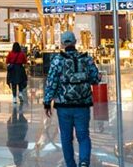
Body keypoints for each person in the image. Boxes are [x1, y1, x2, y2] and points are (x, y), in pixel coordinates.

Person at [44, 31, 101, 167]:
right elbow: (95, 79)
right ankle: (84, 163)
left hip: (64, 105)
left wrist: (47, 102)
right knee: (83, 135)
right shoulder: (86, 59)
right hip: (83, 104)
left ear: (62, 44)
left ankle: (70, 164)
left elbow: (51, 82)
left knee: (66, 137)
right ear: (75, 42)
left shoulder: (57, 60)